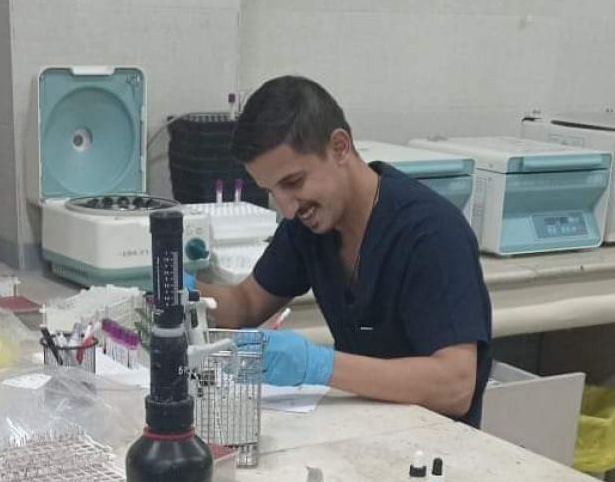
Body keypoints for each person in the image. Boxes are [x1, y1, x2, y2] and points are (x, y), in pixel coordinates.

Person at [205, 76, 492, 427]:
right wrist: (175, 287)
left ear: (339, 147)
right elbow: (246, 304)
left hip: (434, 444)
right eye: (271, 191)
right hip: (364, 428)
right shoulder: (310, 227)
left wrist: (320, 366)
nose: (287, 209)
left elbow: (456, 386)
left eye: (293, 182)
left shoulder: (431, 233)